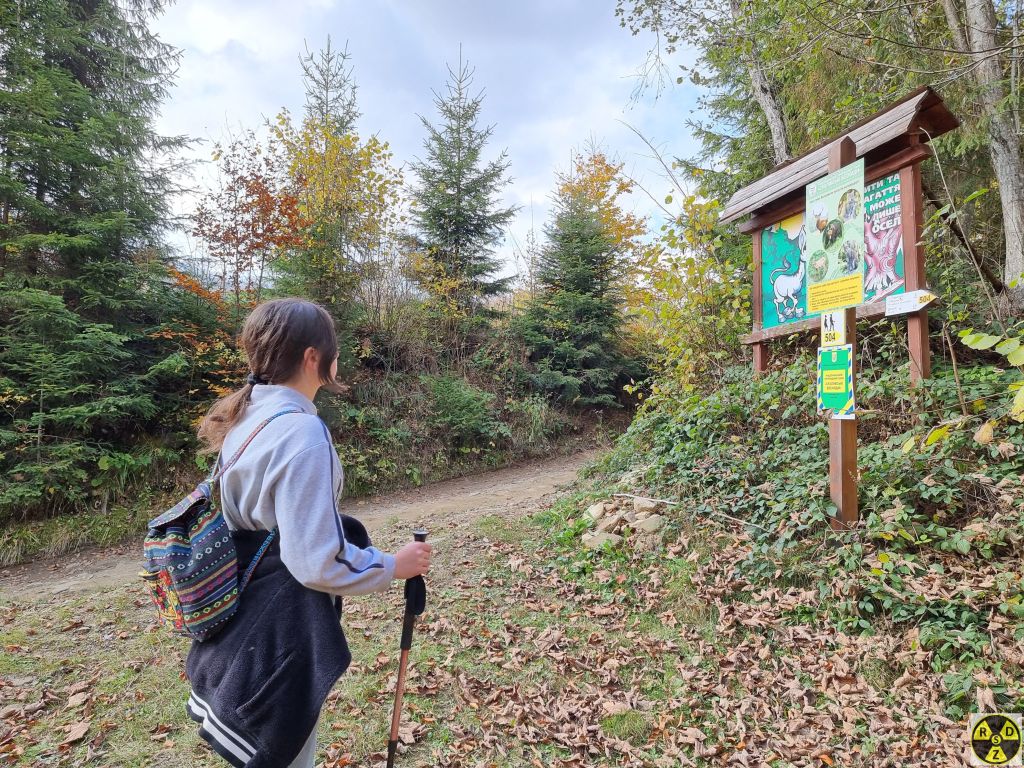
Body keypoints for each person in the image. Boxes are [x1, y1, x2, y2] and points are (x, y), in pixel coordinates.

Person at [185, 298, 432, 768]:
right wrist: (393, 566)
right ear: (313, 358)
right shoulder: (301, 434)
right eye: (334, 348)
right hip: (279, 628)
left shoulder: (248, 416)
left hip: (240, 618)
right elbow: (314, 559)